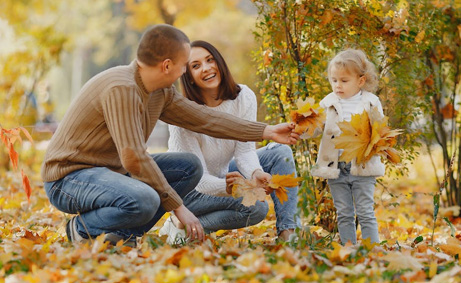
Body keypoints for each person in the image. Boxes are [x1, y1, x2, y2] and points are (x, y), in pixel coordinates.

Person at [41, 24, 300, 247]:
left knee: (188, 167)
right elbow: (134, 158)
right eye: (185, 65)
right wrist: (179, 208)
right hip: (69, 179)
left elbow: (206, 119)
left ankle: (122, 235)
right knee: (145, 198)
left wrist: (266, 131)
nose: (186, 72)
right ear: (167, 65)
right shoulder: (121, 88)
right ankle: (82, 229)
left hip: (110, 174)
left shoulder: (161, 92)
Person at [160, 40, 300, 244]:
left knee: (280, 152)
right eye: (196, 66)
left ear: (219, 62)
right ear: (188, 77)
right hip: (189, 192)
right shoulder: (183, 115)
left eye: (210, 60)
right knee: (257, 208)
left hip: (223, 175)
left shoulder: (243, 97)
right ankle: (183, 226)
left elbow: (244, 151)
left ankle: (289, 233)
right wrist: (234, 187)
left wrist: (256, 173)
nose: (207, 68)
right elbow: (199, 180)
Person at [310, 49, 383, 245]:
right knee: (344, 212)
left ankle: (371, 249)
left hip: (362, 167)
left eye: (344, 80)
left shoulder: (371, 102)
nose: (337, 85)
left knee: (365, 211)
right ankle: (348, 249)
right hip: (337, 168)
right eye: (334, 80)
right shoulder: (328, 103)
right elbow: (316, 128)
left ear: (360, 81)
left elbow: (379, 132)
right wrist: (302, 129)